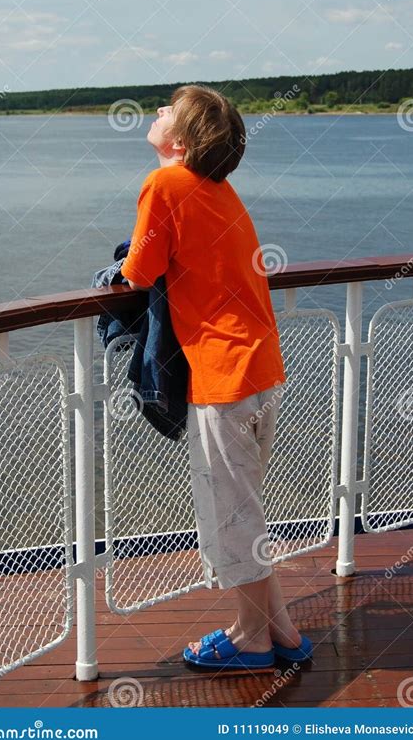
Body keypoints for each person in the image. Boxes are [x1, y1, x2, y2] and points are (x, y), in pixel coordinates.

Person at [120, 84, 311, 670]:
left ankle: (249, 639)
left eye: (165, 112)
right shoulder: (220, 191)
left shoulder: (166, 184)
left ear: (180, 139)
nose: (155, 114)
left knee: (232, 517)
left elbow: (139, 273)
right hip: (257, 369)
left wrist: (123, 260)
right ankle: (282, 632)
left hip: (224, 376)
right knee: (244, 510)